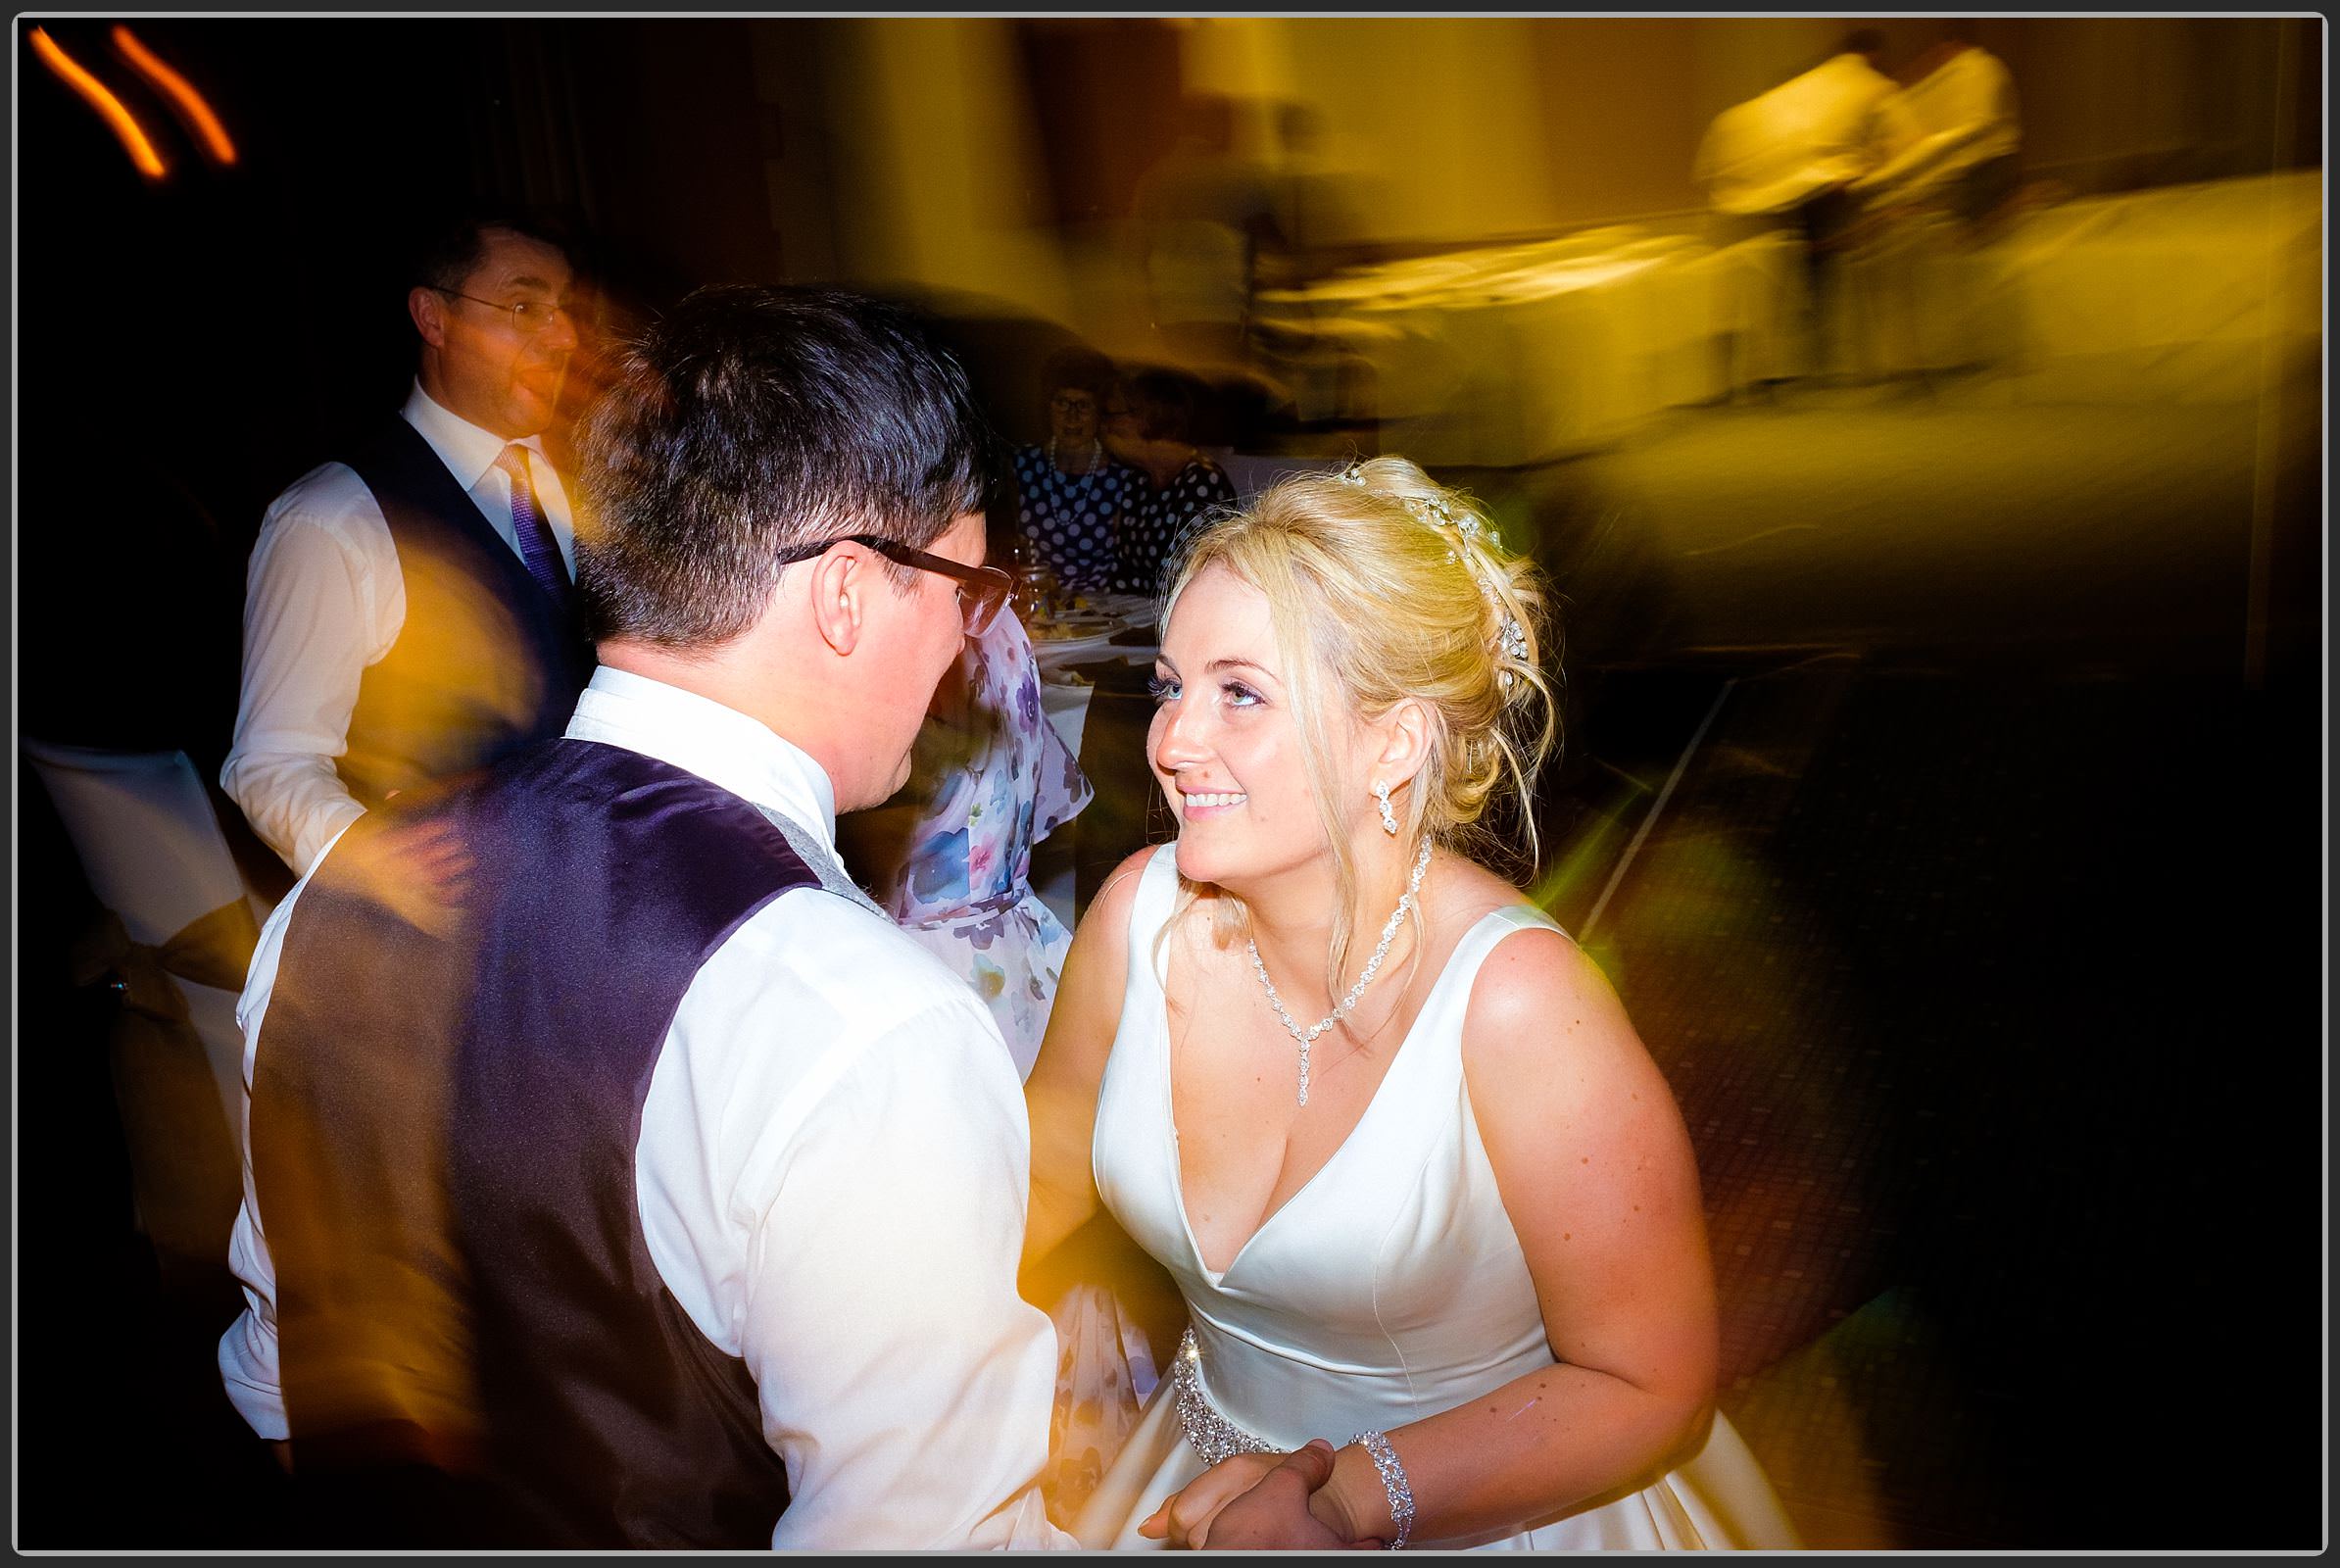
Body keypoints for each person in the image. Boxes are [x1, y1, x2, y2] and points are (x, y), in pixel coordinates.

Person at [224, 285, 1071, 1549]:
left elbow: (277, 1379)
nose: (965, 637)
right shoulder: (860, 1025)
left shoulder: (327, 908)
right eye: (964, 582)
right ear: (849, 593)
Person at [1022, 457, 1801, 1549]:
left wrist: (1343, 1498)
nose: (1171, 741)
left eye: (1239, 691)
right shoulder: (1134, 923)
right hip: (1190, 1485)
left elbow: (1650, 1384)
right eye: (1170, 684)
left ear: (1393, 739)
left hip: (1486, 1508)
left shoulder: (1522, 1006)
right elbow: (1032, 1187)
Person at [220, 210, 595, 879]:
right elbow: (271, 763)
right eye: (523, 306)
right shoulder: (333, 520)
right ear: (434, 318)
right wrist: (371, 858)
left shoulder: (597, 481)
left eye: (565, 310)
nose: (564, 336)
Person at [846, 606, 1093, 1079]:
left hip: (922, 971)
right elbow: (1035, 803)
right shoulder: (999, 622)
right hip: (1018, 953)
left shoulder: (907, 636)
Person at [1693, 31, 1898, 375]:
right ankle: (1783, 368)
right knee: (1780, 299)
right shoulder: (1786, 129)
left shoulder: (1731, 120)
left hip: (1735, 221)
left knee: (1739, 304)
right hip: (1770, 223)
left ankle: (1742, 376)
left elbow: (1705, 175)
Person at [1010, 347, 1145, 597]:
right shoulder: (1021, 465)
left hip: (1103, 610)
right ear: (1047, 406)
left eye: (1083, 405)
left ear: (1101, 412)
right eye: (1062, 403)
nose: (1071, 417)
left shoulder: (1123, 476)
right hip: (1036, 605)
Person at [1106, 367, 1241, 601]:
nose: (1106, 425)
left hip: (1177, 620)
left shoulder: (1203, 483)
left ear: (1149, 418)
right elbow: (1122, 574)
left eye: (1113, 415)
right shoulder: (1137, 481)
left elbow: (1187, 580)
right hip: (1133, 618)